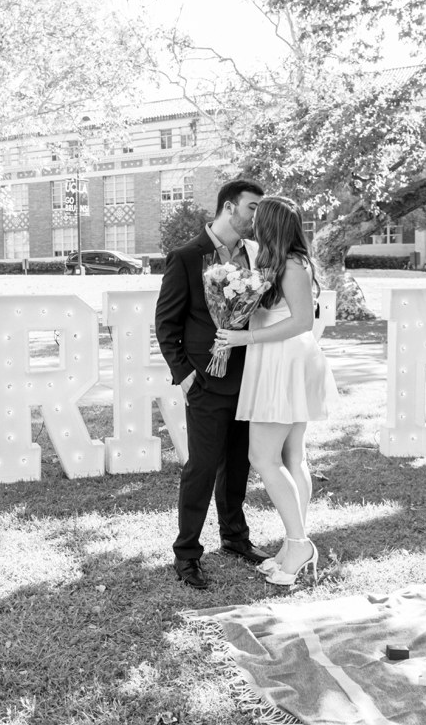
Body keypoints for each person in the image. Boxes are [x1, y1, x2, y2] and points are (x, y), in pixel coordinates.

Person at [215, 195, 339, 587]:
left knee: (263, 458)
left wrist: (242, 337)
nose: (253, 223)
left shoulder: (291, 265)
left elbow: (303, 321)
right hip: (280, 361)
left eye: (258, 218)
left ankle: (299, 544)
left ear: (271, 225)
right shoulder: (275, 261)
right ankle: (291, 547)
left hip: (285, 363)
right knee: (293, 456)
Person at [155, 179, 271, 589]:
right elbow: (166, 325)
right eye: (253, 207)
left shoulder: (255, 255)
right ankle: (186, 554)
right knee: (201, 467)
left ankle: (235, 538)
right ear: (228, 207)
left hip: (248, 378)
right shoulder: (187, 256)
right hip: (204, 382)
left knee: (238, 464)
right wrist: (186, 378)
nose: (258, 216)